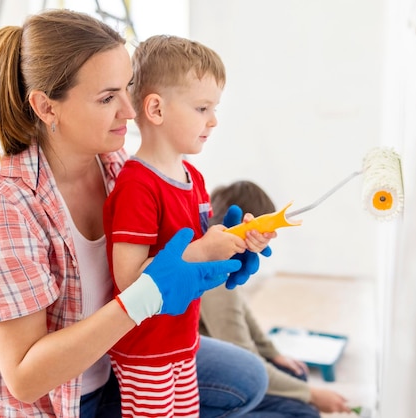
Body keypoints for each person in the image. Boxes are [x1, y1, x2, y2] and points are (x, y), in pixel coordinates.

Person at [0, 10, 269, 418]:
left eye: (126, 89)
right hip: (48, 401)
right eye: (106, 98)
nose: (130, 112)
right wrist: (146, 295)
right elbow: (25, 379)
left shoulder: (116, 165)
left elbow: (174, 252)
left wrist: (224, 245)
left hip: (117, 364)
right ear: (47, 107)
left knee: (246, 379)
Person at [102, 35, 275, 417]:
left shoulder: (192, 178)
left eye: (214, 108)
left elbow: (194, 267)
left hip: (182, 344)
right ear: (156, 109)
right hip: (146, 353)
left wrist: (236, 244)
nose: (213, 120)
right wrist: (202, 251)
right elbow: (129, 281)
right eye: (202, 108)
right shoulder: (137, 186)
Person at [200, 180, 352, 417]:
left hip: (228, 362)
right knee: (302, 411)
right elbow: (243, 356)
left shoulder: (225, 261)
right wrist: (311, 393)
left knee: (294, 376)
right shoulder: (214, 273)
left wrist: (273, 354)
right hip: (216, 376)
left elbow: (241, 313)